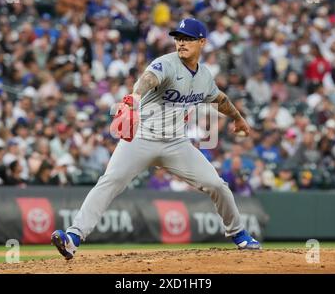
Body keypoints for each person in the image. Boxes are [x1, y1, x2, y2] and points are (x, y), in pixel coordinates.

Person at [51, 18, 261, 260]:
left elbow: (219, 99)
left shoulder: (204, 76)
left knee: (217, 186)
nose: (181, 43)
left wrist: (238, 118)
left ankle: (239, 233)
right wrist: (134, 97)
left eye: (188, 38)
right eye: (178, 38)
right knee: (110, 181)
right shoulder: (166, 63)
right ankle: (73, 237)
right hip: (142, 138)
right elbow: (148, 79)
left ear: (202, 42)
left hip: (176, 144)